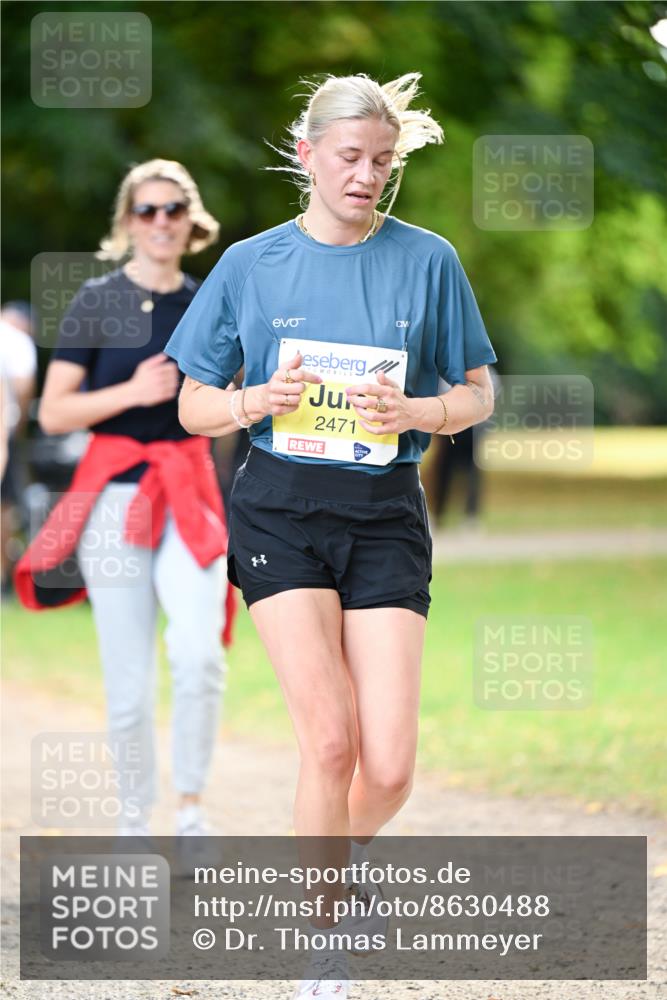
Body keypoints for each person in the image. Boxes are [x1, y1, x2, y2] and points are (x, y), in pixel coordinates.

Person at [165, 73, 497, 998]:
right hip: (279, 507)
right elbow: (191, 403)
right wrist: (250, 400)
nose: (366, 176)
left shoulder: (427, 259)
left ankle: (331, 860)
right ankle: (323, 948)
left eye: (382, 162)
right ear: (307, 154)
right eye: (350, 157)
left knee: (388, 767)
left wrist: (420, 411)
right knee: (330, 743)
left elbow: (478, 393)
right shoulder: (251, 264)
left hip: (386, 512)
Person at [17, 159, 235, 840]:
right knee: (128, 673)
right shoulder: (97, 300)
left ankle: (191, 809)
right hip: (114, 497)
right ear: (128, 222)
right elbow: (53, 412)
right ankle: (133, 815)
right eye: (147, 210)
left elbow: (229, 408)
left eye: (173, 209)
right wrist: (134, 392)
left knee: (198, 654)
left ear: (192, 221)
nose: (161, 221)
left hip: (188, 490)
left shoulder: (210, 302)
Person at [0, 302, 37, 597]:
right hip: (5, 431)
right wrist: (18, 428)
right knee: (5, 504)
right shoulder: (19, 341)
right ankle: (3, 577)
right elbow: (23, 388)